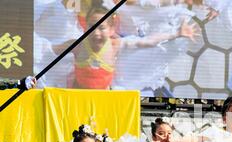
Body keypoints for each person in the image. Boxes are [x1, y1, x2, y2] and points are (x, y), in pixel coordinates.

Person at [52, 6, 199, 89]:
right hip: (77, 94)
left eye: (101, 28)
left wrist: (176, 33)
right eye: (92, 27)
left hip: (103, 96)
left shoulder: (115, 45)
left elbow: (148, 42)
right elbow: (49, 52)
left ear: (111, 30)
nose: (96, 32)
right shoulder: (78, 45)